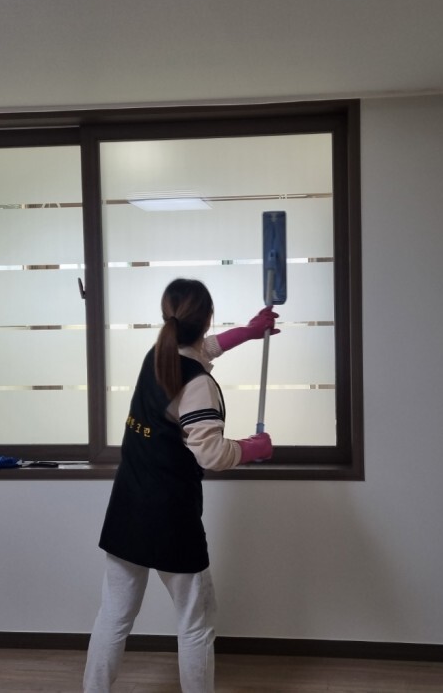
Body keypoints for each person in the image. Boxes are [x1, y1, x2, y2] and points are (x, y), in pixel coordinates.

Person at [83, 278, 278, 693]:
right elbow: (212, 454)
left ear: (168, 316)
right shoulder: (197, 383)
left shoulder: (158, 356)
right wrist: (254, 447)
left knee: (113, 616)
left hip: (126, 509)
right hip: (171, 519)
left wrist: (249, 330)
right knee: (196, 624)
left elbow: (205, 350)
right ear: (206, 318)